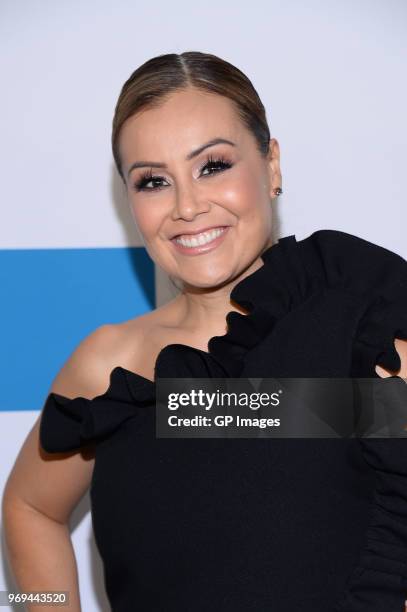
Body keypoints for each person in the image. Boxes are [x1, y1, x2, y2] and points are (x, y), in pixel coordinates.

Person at [2, 51, 407, 612]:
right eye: (153, 181)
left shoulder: (358, 318)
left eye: (212, 166)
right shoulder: (109, 366)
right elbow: (31, 509)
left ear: (271, 165)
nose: (188, 206)